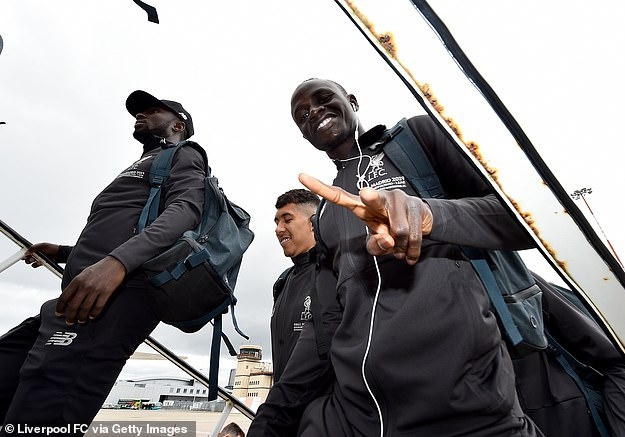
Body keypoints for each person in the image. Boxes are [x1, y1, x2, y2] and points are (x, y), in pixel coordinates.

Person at [247, 78, 543, 436]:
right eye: (302, 115)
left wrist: (430, 215)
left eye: (324, 99)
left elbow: (528, 221)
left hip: (470, 407)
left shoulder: (417, 139)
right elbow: (324, 327)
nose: (314, 113)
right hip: (362, 417)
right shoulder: (324, 214)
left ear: (352, 101)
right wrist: (270, 420)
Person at [0, 90, 205, 434]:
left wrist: (118, 263)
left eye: (153, 111)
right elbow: (123, 227)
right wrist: (64, 252)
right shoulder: (145, 163)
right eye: (139, 112)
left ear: (177, 125)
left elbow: (186, 210)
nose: (141, 115)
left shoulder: (185, 153)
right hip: (78, 295)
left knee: (45, 406)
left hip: (116, 296)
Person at [271, 189, 321, 382]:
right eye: (277, 222)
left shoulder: (336, 274)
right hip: (282, 397)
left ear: (314, 223)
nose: (278, 229)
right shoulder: (282, 282)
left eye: (287, 220)